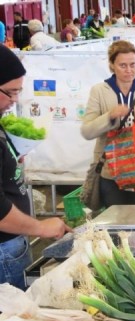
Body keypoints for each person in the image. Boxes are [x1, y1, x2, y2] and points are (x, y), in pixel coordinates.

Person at [0, 46, 70, 289]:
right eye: (10, 92)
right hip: (4, 253)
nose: (15, 100)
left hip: (11, 247)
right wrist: (40, 227)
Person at [80, 40, 135, 208]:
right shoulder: (99, 91)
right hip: (111, 172)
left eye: (133, 64)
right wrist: (110, 116)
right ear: (111, 65)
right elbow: (87, 131)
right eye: (123, 65)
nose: (129, 70)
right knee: (116, 223)